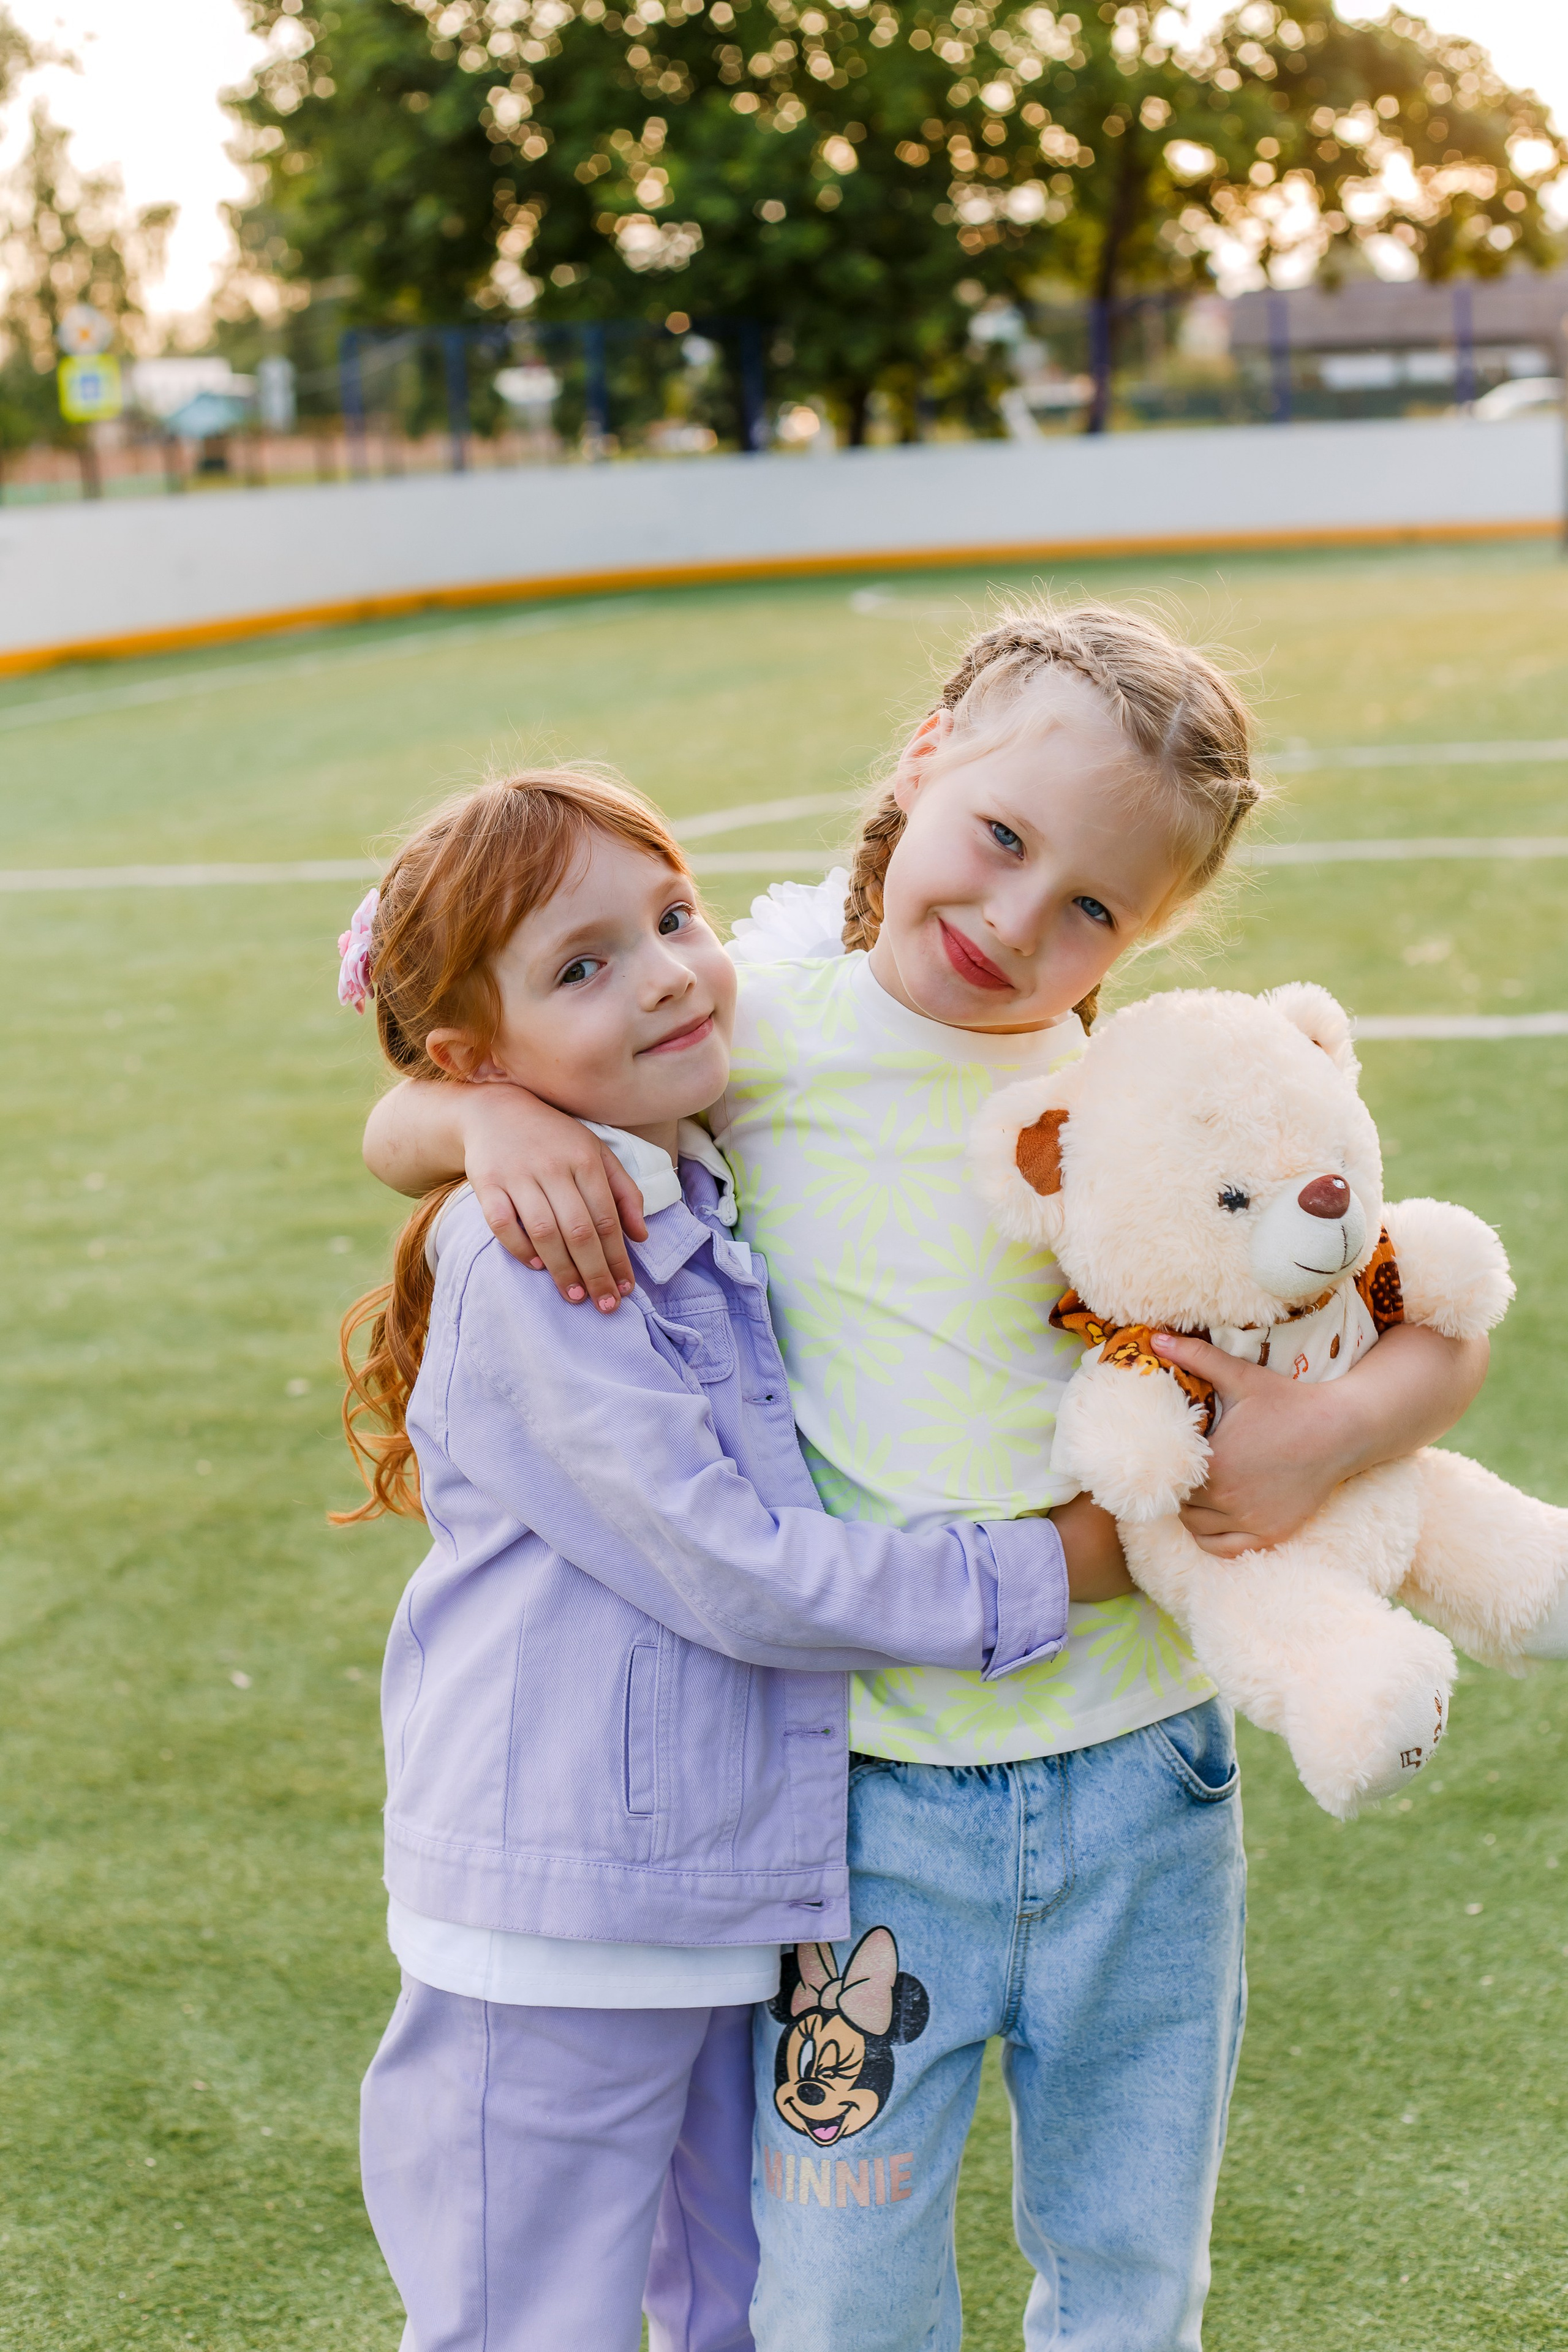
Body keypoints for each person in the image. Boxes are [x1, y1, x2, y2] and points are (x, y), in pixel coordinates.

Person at [363, 606, 1488, 2350]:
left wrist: (1340, 1431)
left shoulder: (1146, 1096)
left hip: (1141, 1773)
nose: (1017, 922)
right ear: (924, 765)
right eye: (1003, 840)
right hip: (862, 1808)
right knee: (841, 2291)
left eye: (1096, 907)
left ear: (1160, 930)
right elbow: (448, 1099)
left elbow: (1415, 1299)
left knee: (1131, 2269)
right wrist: (477, 1122)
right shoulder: (752, 1041)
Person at [335, 767, 1110, 2352]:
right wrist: (1050, 1571)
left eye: (674, 918)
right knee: (521, 2321)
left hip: (721, 1889)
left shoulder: (693, 1147)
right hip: (558, 1914)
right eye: (584, 965)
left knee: (742, 2310)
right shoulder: (542, 1247)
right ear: (478, 1053)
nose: (671, 972)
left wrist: (472, 1106)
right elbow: (736, 1573)